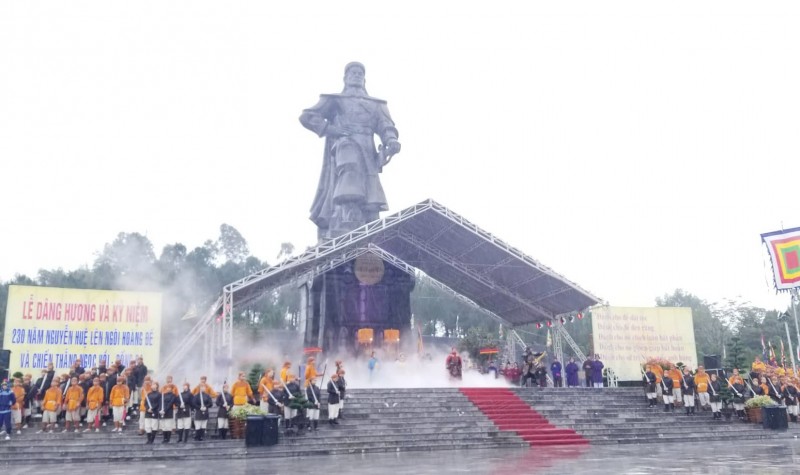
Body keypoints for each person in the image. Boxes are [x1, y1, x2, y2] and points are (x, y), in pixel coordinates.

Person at [300, 62, 402, 240]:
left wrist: (391, 140)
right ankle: (347, 216)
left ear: (364, 79)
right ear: (345, 78)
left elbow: (386, 125)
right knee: (350, 168)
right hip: (345, 142)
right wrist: (331, 130)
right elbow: (307, 116)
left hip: (367, 147)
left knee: (370, 187)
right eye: (352, 73)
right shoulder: (335, 99)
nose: (356, 75)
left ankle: (369, 222)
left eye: (360, 73)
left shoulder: (376, 104)